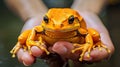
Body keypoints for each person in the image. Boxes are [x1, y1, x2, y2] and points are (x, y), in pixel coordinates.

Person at [5, 0, 114, 66]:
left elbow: (87, 34)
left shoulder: (79, 30)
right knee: (22, 38)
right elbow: (34, 30)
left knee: (95, 35)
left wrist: (89, 44)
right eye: (46, 20)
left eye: (70, 21)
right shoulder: (40, 29)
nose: (57, 27)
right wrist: (28, 40)